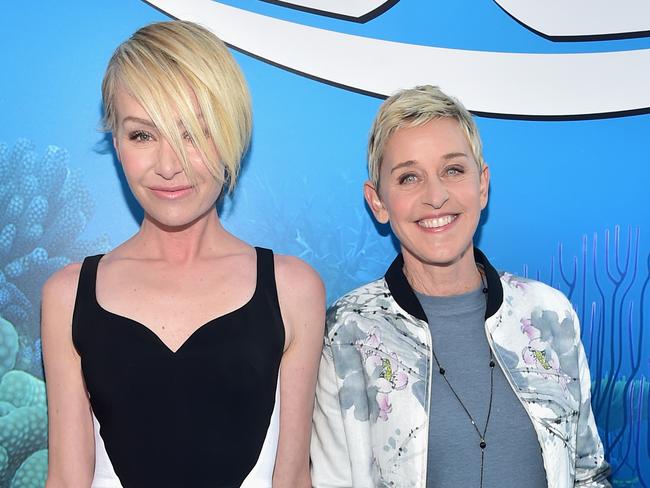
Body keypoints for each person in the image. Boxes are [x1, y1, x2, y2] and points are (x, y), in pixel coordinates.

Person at [42, 20, 325, 488]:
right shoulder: (67, 296)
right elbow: (67, 479)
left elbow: (292, 477)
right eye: (142, 135)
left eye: (193, 133)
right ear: (116, 144)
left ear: (233, 136)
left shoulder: (294, 289)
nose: (169, 166)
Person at [311, 85, 610, 487]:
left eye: (453, 170)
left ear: (482, 185)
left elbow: (588, 474)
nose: (435, 196)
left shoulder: (547, 313)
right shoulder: (348, 330)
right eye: (408, 177)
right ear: (378, 201)